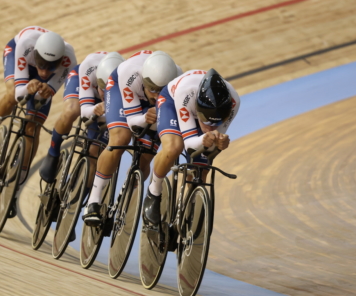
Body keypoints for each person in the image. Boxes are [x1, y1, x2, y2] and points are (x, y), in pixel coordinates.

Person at [0, 26, 76, 217]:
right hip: (17, 53)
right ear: (37, 56)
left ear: (59, 61)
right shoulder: (26, 45)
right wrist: (27, 87)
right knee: (11, 94)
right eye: (41, 65)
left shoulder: (69, 60)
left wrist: (43, 91)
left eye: (50, 67)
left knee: (33, 126)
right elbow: (19, 92)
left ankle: (15, 188)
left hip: (42, 70)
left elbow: (43, 98)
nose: (44, 72)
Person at [82, 50, 181, 225]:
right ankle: (93, 201)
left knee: (147, 155)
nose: (157, 96)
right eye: (152, 90)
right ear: (144, 81)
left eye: (161, 91)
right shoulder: (130, 74)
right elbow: (132, 122)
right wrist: (145, 118)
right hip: (120, 91)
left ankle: (126, 192)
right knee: (120, 139)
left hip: (156, 101)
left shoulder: (177, 83)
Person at [142, 68, 240, 226]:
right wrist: (205, 138)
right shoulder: (185, 92)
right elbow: (189, 145)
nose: (209, 127)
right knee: (174, 147)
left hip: (199, 110)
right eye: (205, 121)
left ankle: (188, 207)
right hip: (172, 104)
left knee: (201, 168)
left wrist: (219, 144)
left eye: (216, 123)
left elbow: (209, 148)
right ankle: (153, 192)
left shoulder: (234, 102)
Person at [39, 51, 125, 183]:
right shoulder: (90, 67)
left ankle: (79, 196)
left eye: (109, 92)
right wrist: (96, 109)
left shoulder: (124, 83)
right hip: (81, 79)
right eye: (103, 90)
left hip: (111, 93)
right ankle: (53, 151)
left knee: (95, 152)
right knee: (72, 110)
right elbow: (85, 112)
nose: (105, 95)